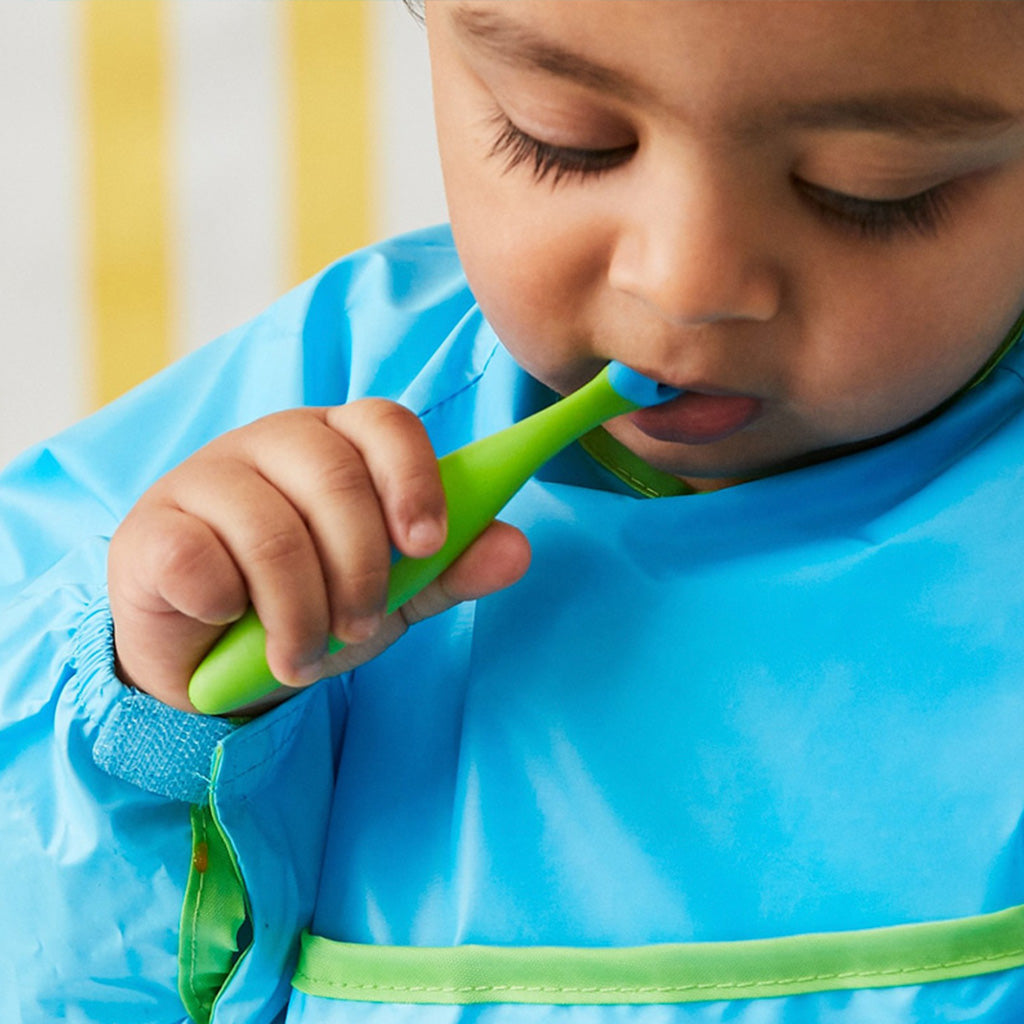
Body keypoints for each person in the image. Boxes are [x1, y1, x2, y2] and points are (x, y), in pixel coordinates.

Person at [3, 1, 1024, 1021]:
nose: (683, 283)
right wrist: (147, 725)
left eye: (869, 189)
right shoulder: (295, 418)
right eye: (562, 140)